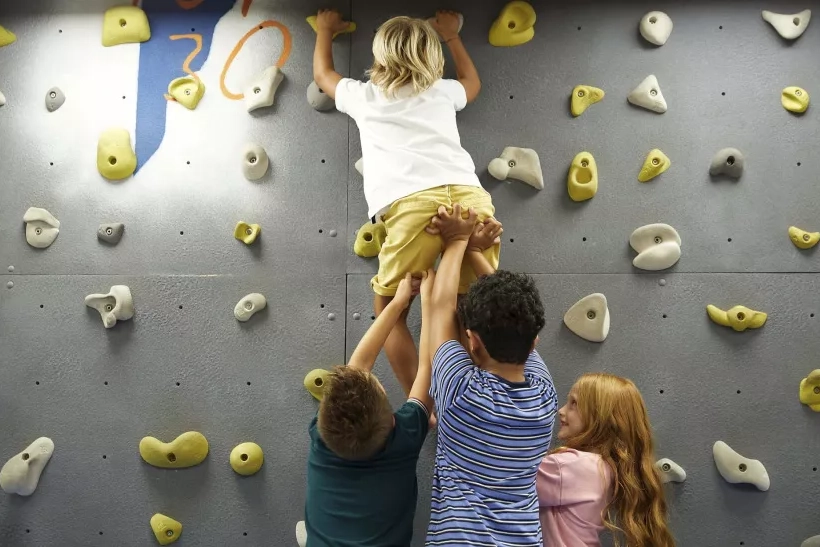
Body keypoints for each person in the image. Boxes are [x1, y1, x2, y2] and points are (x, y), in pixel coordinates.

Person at [312, 8, 498, 399]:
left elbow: (323, 77)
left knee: (389, 308)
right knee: (469, 309)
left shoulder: (365, 96)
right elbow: (472, 82)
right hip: (470, 198)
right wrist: (452, 35)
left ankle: (425, 405)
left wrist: (325, 31)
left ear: (379, 58)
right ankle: (465, 398)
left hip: (413, 205)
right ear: (433, 58)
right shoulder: (442, 90)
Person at [425, 204, 557, 547]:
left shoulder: (460, 392)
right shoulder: (544, 396)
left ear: (473, 341)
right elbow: (514, 317)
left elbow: (440, 309)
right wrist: (469, 247)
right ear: (535, 344)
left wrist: (457, 241)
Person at [303, 272, 436, 547]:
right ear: (393, 421)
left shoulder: (325, 435)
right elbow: (427, 366)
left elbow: (361, 368)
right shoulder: (404, 437)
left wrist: (399, 304)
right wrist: (428, 302)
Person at [537, 373, 676, 547]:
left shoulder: (571, 466)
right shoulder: (603, 467)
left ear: (600, 417)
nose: (561, 411)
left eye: (574, 403)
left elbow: (506, 483)